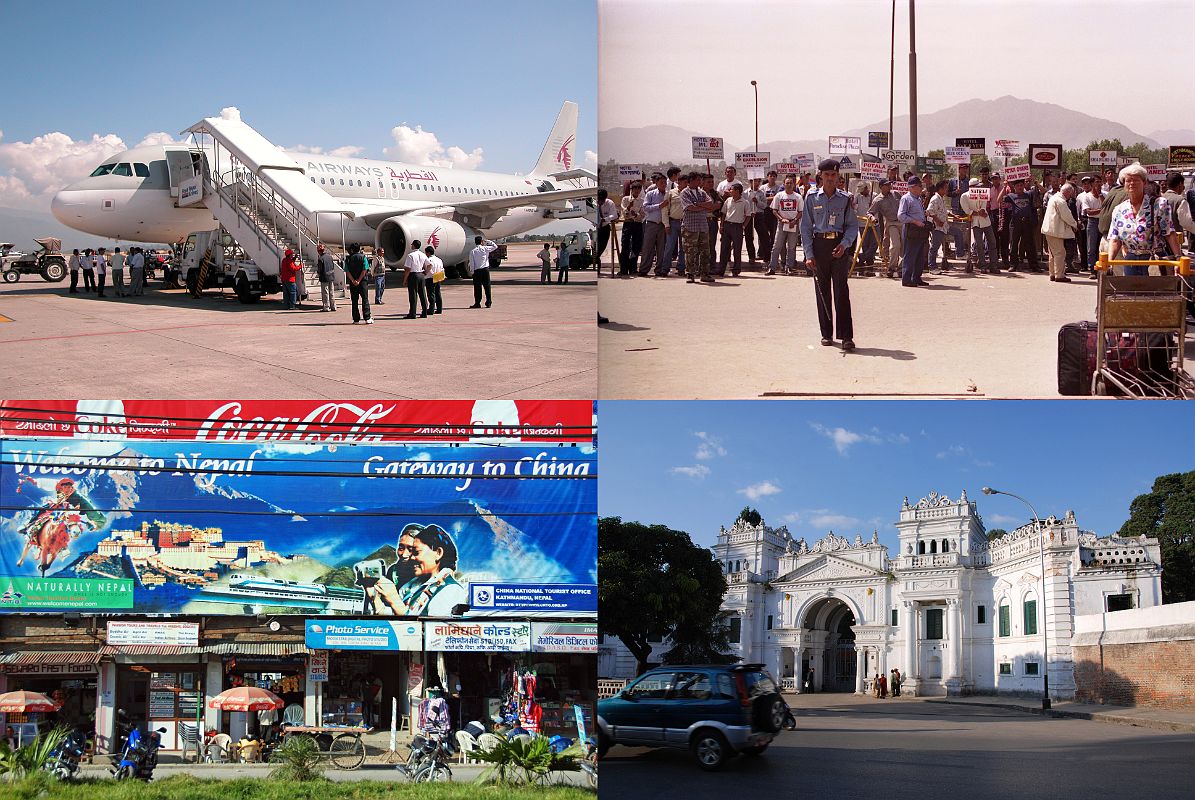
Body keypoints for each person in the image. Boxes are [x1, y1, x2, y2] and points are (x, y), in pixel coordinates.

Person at [801, 159, 860, 351]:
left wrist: (845, 244)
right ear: (820, 176)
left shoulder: (845, 199)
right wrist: (809, 254)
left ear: (838, 176)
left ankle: (846, 336)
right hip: (819, 246)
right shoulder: (811, 198)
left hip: (839, 246)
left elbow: (852, 226)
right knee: (822, 291)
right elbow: (805, 227)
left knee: (841, 291)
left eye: (833, 175)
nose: (830, 178)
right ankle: (826, 334)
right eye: (826, 175)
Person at [364, 523, 467, 616]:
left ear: (438, 553)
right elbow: (396, 616)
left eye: (416, 552)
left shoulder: (450, 590)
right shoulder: (414, 585)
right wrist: (374, 597)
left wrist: (394, 599)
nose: (412, 557)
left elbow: (430, 628)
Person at [1107, 163, 1179, 276]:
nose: (1132, 183)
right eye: (1128, 180)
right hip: (1130, 261)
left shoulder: (1159, 204)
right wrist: (1109, 263)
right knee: (1132, 288)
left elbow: (1169, 233)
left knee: (1158, 288)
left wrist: (1178, 258)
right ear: (1124, 184)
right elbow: (1115, 239)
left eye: (1136, 180)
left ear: (1144, 183)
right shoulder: (1119, 210)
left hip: (1155, 259)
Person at [680, 170, 718, 283]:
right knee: (690, 251)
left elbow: (710, 204)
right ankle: (690, 274)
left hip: (702, 226)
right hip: (690, 226)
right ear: (691, 180)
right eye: (697, 180)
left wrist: (698, 204)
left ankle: (704, 274)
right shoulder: (684, 193)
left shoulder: (702, 192)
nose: (699, 182)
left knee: (705, 251)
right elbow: (690, 207)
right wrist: (703, 207)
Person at [1042, 182, 1081, 282]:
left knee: (1053, 254)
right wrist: (1075, 225)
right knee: (1060, 253)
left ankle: (1053, 274)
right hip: (1055, 231)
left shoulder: (1054, 198)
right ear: (1067, 192)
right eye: (1070, 194)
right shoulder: (1061, 201)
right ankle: (1059, 275)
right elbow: (1066, 216)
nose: (1070, 196)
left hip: (1050, 230)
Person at [898, 177, 930, 288]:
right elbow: (901, 216)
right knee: (910, 254)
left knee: (919, 255)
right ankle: (906, 279)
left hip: (920, 229)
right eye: (919, 186)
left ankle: (916, 278)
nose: (921, 188)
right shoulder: (906, 199)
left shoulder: (918, 199)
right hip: (911, 228)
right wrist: (915, 221)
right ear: (913, 187)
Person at [768, 175, 804, 276]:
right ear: (784, 184)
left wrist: (795, 220)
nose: (789, 185)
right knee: (776, 246)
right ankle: (772, 267)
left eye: (791, 183)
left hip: (793, 224)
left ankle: (789, 267)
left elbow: (801, 212)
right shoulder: (779, 196)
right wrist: (781, 219)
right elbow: (774, 210)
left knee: (791, 247)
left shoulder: (798, 197)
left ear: (794, 184)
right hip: (782, 224)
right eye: (787, 183)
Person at [1003, 179, 1039, 271]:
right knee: (1014, 244)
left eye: (1021, 185)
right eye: (1018, 185)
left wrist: (1035, 182)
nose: (1020, 187)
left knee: (1030, 244)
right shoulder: (1011, 195)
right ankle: (1013, 264)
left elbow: (1043, 191)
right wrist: (1004, 187)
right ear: (1014, 187)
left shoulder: (1029, 194)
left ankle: (1034, 266)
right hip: (1015, 222)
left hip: (1027, 222)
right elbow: (999, 200)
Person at [960, 178, 995, 274]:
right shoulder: (964, 196)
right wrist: (978, 213)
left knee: (992, 243)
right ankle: (983, 266)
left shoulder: (982, 193)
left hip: (986, 221)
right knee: (979, 245)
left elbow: (983, 206)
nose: (978, 188)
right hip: (975, 223)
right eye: (976, 187)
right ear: (971, 187)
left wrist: (981, 211)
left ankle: (993, 266)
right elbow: (967, 210)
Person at [637, 173, 669, 276]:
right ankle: (644, 269)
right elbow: (645, 208)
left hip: (663, 225)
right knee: (647, 248)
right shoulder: (650, 194)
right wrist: (659, 206)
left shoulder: (668, 195)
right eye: (661, 182)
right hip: (651, 224)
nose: (663, 184)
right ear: (656, 183)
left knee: (661, 249)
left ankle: (659, 270)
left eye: (665, 182)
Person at [716, 182, 749, 277]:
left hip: (737, 226)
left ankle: (736, 269)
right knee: (724, 249)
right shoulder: (728, 200)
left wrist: (743, 226)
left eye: (732, 189)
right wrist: (722, 225)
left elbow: (748, 215)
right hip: (727, 225)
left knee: (737, 249)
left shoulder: (745, 202)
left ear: (737, 191)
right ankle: (721, 269)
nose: (730, 191)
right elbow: (724, 213)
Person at [871, 180, 902, 278]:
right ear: (881, 187)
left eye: (889, 184)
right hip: (891, 223)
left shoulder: (896, 194)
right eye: (887, 185)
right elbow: (870, 212)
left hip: (903, 222)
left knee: (904, 247)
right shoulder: (877, 200)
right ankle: (892, 267)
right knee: (896, 245)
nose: (889, 186)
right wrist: (872, 218)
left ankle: (901, 268)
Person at [662, 173, 688, 277]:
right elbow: (665, 210)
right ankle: (665, 268)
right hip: (673, 223)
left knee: (683, 247)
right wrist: (666, 225)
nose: (686, 184)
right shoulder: (671, 193)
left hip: (685, 223)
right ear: (679, 182)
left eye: (687, 182)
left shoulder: (689, 193)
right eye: (684, 182)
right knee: (669, 247)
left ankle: (681, 268)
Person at [619, 180, 644, 275]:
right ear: (631, 189)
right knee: (625, 245)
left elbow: (643, 215)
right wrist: (629, 207)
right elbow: (624, 213)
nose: (637, 191)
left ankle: (633, 268)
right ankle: (623, 269)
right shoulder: (625, 199)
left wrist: (636, 215)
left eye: (639, 189)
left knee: (636, 246)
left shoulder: (642, 201)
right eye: (635, 188)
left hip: (637, 224)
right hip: (628, 223)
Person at [343, 243, 372, 323]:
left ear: (352, 250)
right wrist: (359, 280)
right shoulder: (363, 257)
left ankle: (356, 319)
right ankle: (367, 318)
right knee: (365, 299)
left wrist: (353, 280)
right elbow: (364, 269)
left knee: (354, 301)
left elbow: (347, 271)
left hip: (353, 283)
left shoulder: (348, 259)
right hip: (362, 282)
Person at [927, 180, 951, 271]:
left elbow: (942, 210)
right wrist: (937, 221)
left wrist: (950, 214)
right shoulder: (935, 199)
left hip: (943, 226)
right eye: (945, 188)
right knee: (935, 247)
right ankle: (932, 266)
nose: (947, 189)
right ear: (940, 189)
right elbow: (930, 211)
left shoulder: (941, 198)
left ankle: (960, 254)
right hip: (937, 227)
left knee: (958, 233)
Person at [468, 237, 498, 307]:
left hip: (477, 271)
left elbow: (472, 263)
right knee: (487, 286)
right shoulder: (485, 248)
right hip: (485, 270)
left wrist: (472, 272)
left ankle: (477, 303)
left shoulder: (473, 251)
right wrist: (487, 241)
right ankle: (488, 302)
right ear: (481, 242)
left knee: (477, 288)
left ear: (475, 242)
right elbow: (495, 246)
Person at [403, 240, 430, 319]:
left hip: (413, 275)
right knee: (422, 294)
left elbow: (408, 269)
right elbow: (429, 265)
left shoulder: (410, 255)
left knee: (413, 295)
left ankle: (412, 313)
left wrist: (405, 279)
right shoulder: (423, 255)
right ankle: (424, 312)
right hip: (421, 275)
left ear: (413, 245)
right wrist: (425, 272)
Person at [596, 188, 618, 267]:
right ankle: (597, 264)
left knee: (601, 247)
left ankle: (597, 260)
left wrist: (605, 219)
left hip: (605, 228)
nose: (600, 202)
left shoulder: (609, 203)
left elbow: (614, 215)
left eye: (602, 200)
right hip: (596, 229)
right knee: (595, 249)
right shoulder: (594, 203)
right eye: (599, 200)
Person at [316, 244, 338, 311]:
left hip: (324, 277)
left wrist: (318, 273)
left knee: (325, 292)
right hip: (331, 276)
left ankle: (326, 307)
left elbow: (320, 269)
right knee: (331, 292)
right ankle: (333, 306)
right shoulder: (330, 257)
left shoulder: (320, 259)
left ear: (319, 251)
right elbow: (332, 266)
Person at [424, 245, 445, 314]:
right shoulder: (439, 259)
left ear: (428, 253)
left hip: (430, 277)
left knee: (431, 294)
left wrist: (425, 273)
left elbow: (429, 269)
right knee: (438, 293)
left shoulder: (429, 260)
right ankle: (439, 309)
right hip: (438, 276)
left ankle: (431, 309)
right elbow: (442, 269)